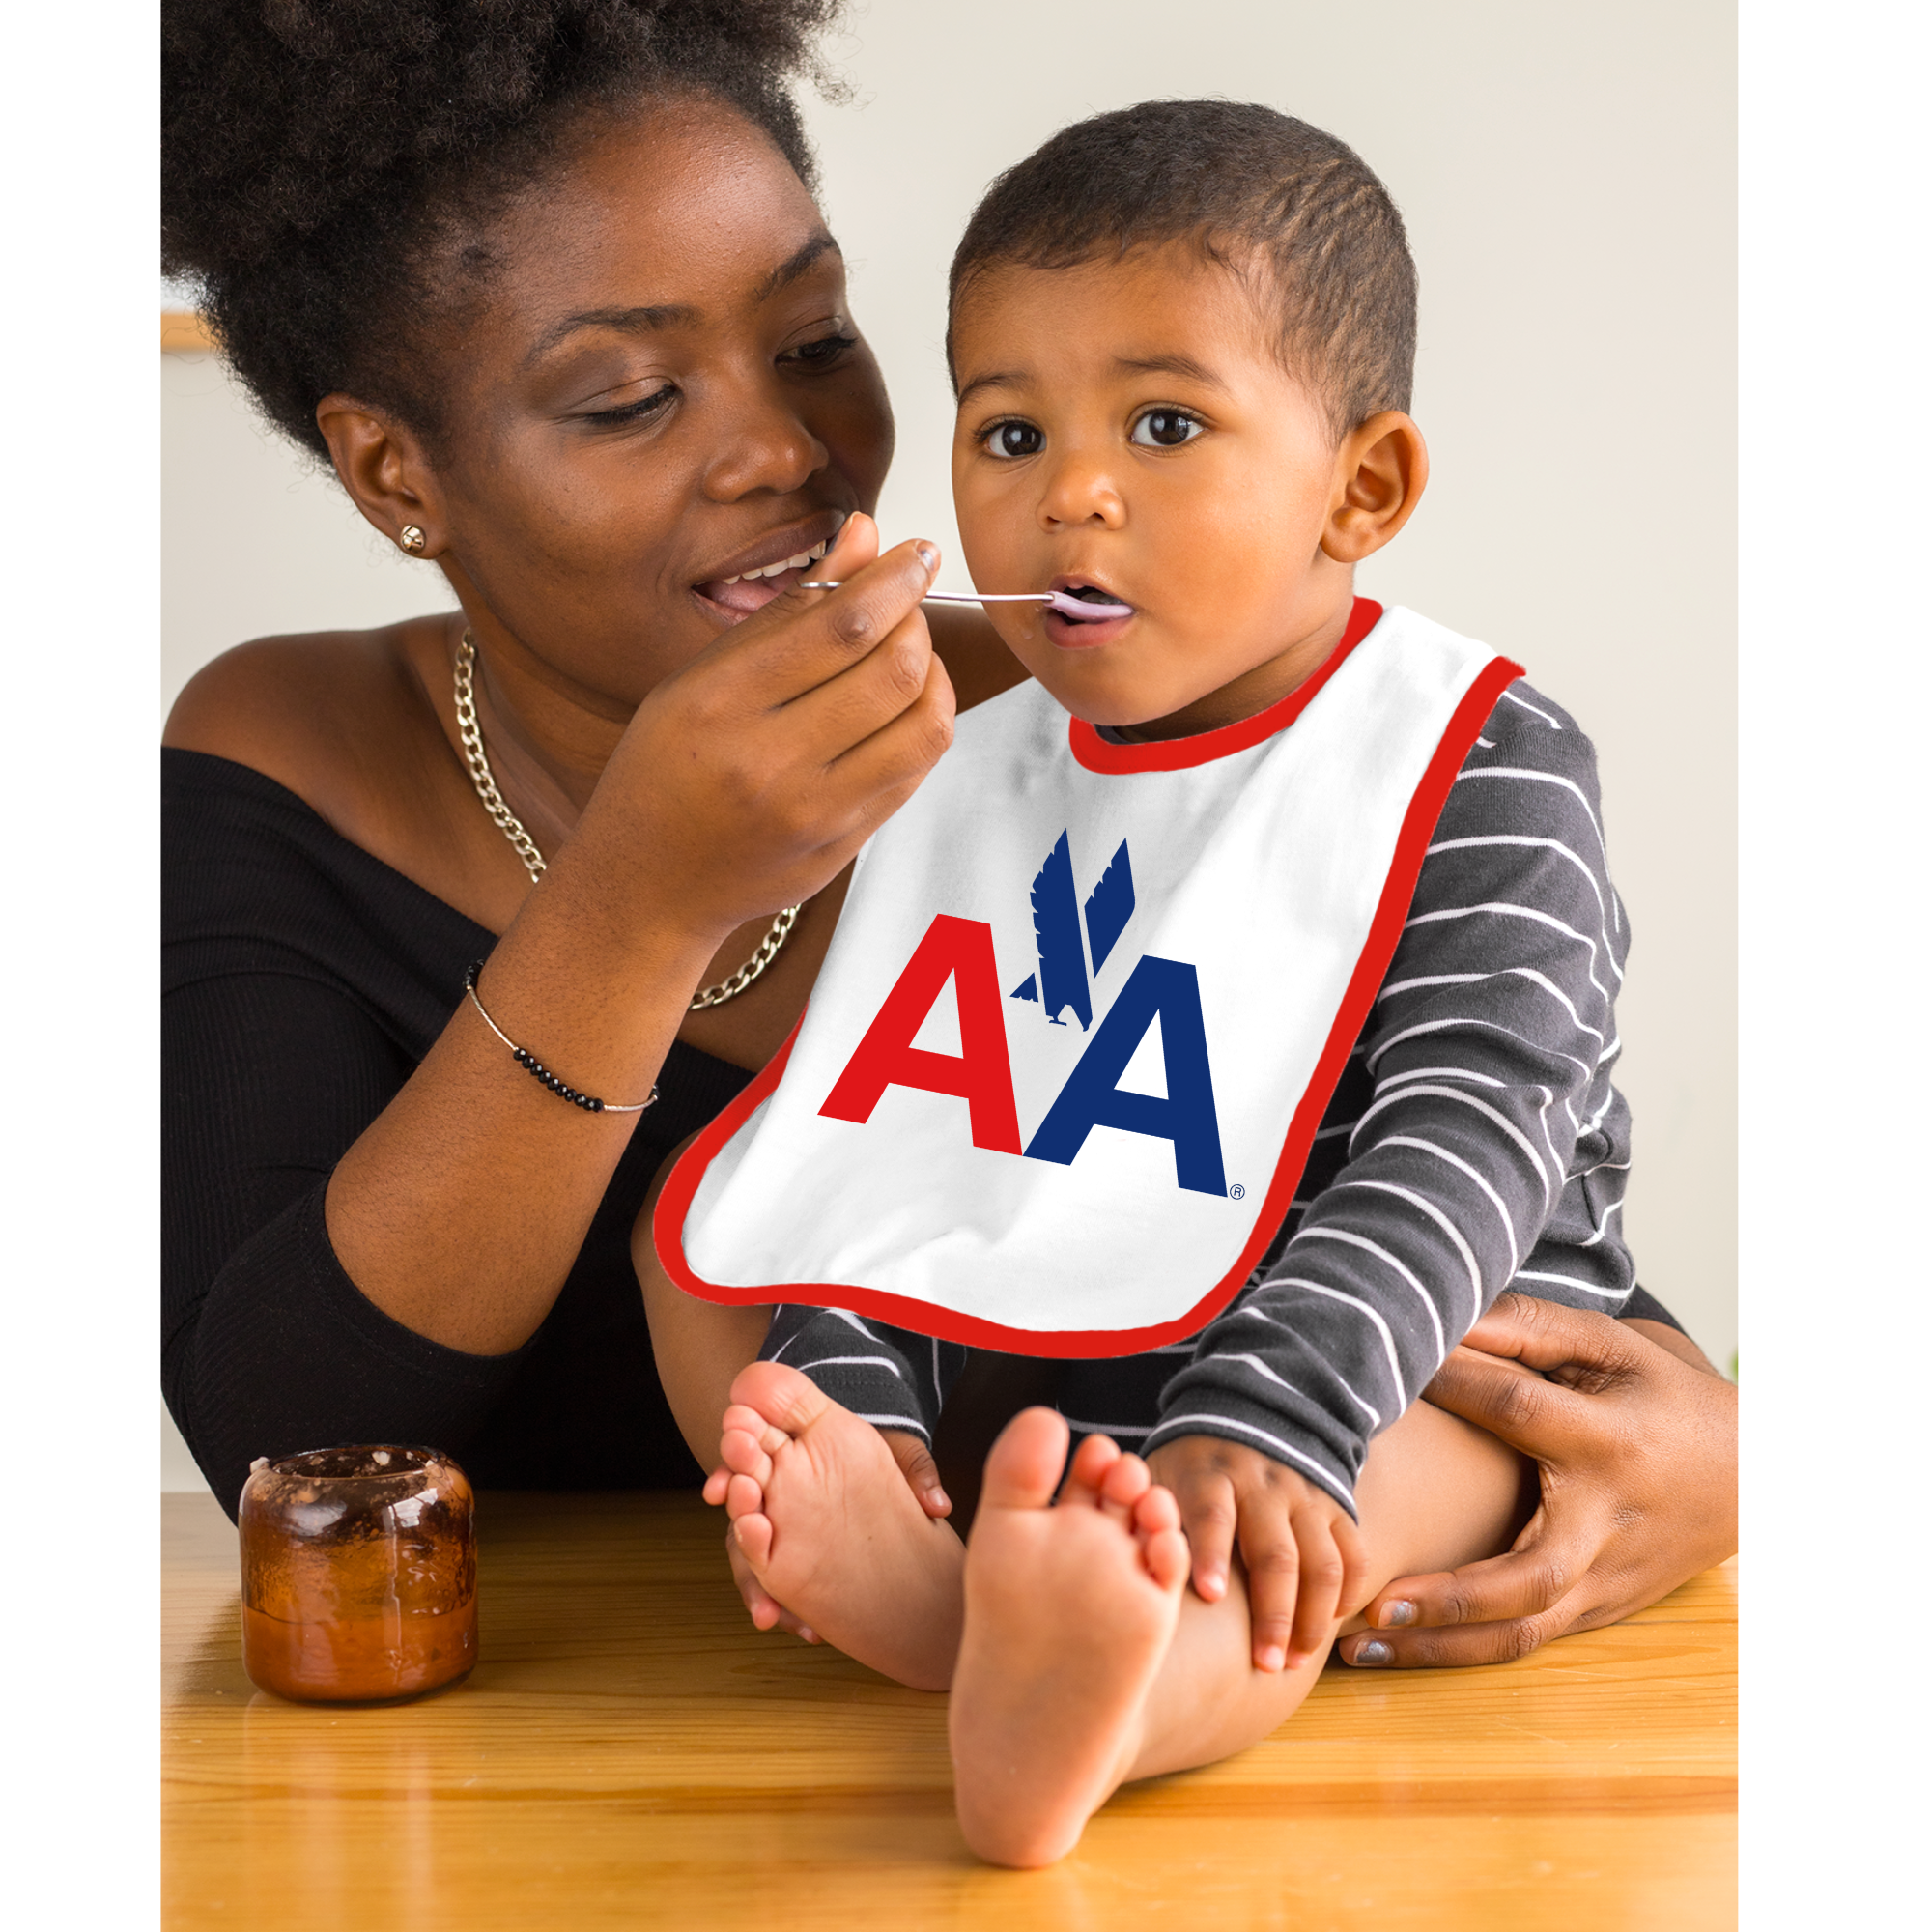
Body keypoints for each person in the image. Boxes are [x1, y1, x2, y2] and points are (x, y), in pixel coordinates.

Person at [159, 2, 1731, 1695]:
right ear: (398, 471)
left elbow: (1458, 1161)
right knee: (698, 1249)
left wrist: (1701, 1453)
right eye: (625, 398)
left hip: (1213, 1545)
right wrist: (638, 902)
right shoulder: (283, 753)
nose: (784, 450)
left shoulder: (1087, 710)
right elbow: (294, 1448)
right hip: (634, 1697)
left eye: (817, 336)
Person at [638, 100, 1736, 1865]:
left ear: (1358, 488)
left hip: (1406, 1343)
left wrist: (1272, 1416)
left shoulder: (1470, 757)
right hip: (1083, 1288)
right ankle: (930, 1589)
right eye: (1008, 431)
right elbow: (884, 1122)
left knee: (1379, 1481)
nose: (1069, 489)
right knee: (711, 1257)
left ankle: (1115, 1699)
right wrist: (853, 1373)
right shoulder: (968, 753)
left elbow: (1469, 1129)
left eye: (1165, 424)